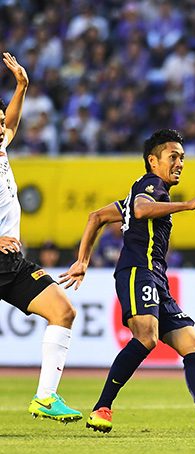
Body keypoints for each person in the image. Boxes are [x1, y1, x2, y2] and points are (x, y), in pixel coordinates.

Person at [59, 129, 195, 435]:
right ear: (153, 160)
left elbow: (96, 216)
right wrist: (187, 205)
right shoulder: (151, 185)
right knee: (147, 337)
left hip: (155, 278)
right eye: (173, 157)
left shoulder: (142, 192)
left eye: (183, 158)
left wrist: (82, 261)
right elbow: (140, 208)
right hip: (138, 271)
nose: (180, 163)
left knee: (194, 346)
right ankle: (101, 408)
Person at [0, 52, 82, 423]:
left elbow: (13, 123)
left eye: (1, 122)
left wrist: (22, 86)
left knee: (63, 311)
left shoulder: (0, 146)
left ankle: (45, 397)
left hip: (10, 262)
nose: (3, 128)